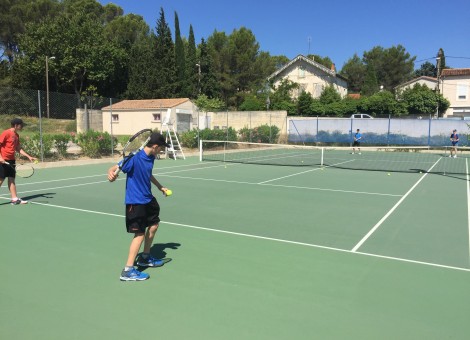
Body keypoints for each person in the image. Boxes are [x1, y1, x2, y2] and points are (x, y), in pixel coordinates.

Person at [108, 132, 171, 282]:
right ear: (155, 146)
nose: (162, 151)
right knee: (140, 234)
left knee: (154, 225)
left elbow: (147, 174)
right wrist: (111, 175)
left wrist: (160, 187)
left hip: (148, 199)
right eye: (161, 148)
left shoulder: (151, 158)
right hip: (135, 202)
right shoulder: (133, 159)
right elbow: (112, 169)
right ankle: (128, 270)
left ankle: (145, 257)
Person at [0, 118, 37, 205]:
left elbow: (18, 148)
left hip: (11, 160)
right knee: (0, 180)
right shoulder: (6, 133)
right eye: (21, 125)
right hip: (3, 160)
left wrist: (29, 156)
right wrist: (0, 157)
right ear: (16, 125)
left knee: (12, 179)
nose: (22, 126)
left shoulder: (16, 135)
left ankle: (14, 199)